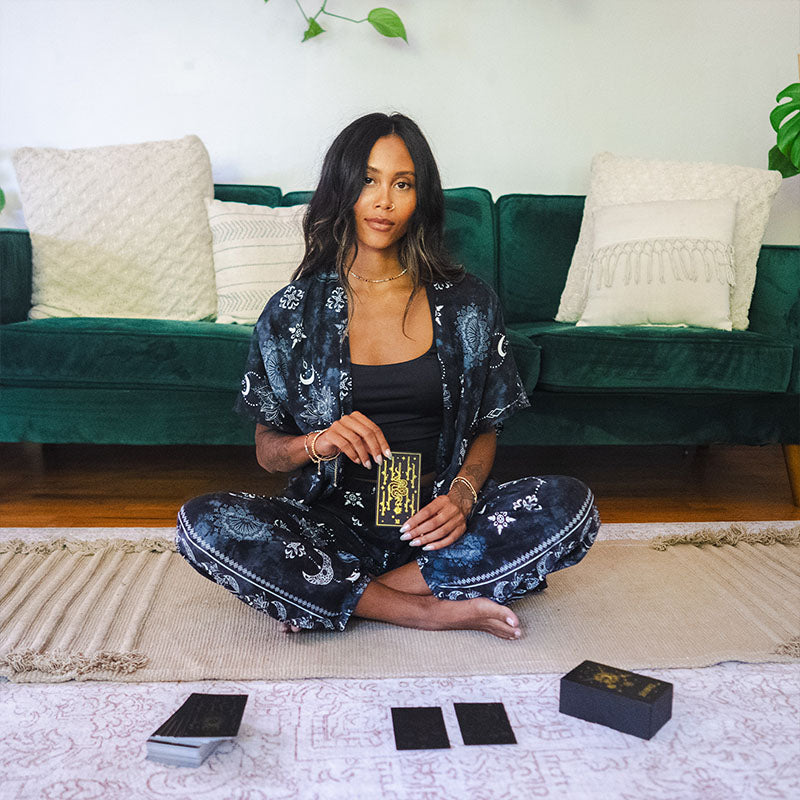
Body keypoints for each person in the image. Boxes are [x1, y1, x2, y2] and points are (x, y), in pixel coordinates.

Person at [176, 112, 599, 640]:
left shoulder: (468, 303)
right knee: (202, 522)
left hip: (439, 522)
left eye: (402, 184)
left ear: (421, 198)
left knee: (571, 505)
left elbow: (488, 427)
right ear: (342, 190)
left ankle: (344, 595)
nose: (384, 201)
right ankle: (424, 608)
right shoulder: (292, 312)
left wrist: (462, 498)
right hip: (332, 527)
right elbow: (267, 451)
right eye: (368, 181)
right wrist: (318, 442)